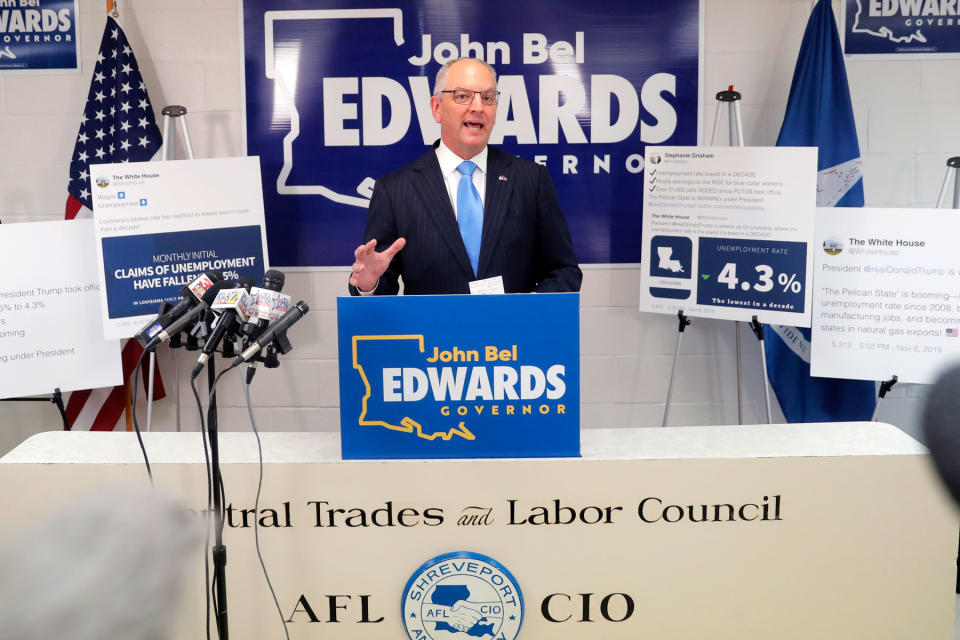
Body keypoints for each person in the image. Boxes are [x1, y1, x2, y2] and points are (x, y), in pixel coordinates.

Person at [349, 57, 582, 295]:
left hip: (514, 330)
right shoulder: (395, 190)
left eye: (488, 98)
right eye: (463, 96)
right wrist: (370, 283)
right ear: (436, 108)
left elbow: (564, 271)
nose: (478, 107)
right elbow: (380, 281)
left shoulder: (532, 181)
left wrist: (527, 310)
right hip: (434, 331)